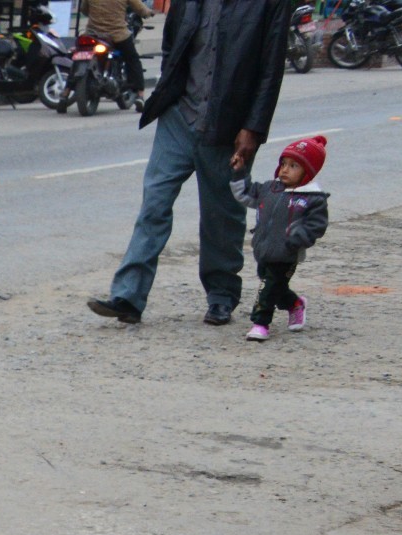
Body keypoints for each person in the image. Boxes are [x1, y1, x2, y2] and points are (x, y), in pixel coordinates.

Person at [86, 0, 291, 326]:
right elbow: (173, 44)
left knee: (222, 214)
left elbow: (270, 69)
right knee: (154, 203)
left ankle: (222, 296)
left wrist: (252, 128)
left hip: (227, 124)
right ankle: (128, 296)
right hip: (178, 116)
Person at [234, 134, 329, 341]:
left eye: (294, 166)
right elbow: (245, 194)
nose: (285, 169)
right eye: (284, 163)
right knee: (274, 287)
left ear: (308, 172)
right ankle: (295, 304)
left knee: (267, 289)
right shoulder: (270, 189)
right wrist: (239, 172)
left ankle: (260, 323)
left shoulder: (311, 198)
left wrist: (298, 238)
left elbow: (316, 225)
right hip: (264, 250)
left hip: (286, 253)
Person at [85, 0, 153, 92]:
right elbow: (140, 9)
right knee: (132, 59)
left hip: (93, 33)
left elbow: (84, 10)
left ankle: (66, 91)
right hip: (117, 34)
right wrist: (149, 12)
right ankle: (139, 93)